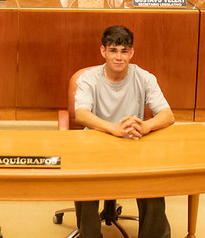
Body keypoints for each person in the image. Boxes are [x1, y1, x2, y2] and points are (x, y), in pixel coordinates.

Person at [73, 25, 174, 238]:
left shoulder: (144, 77)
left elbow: (167, 115)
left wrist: (146, 125)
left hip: (132, 145)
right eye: (113, 50)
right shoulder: (88, 78)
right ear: (103, 51)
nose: (119, 57)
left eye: (124, 51)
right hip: (96, 144)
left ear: (132, 52)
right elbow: (81, 114)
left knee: (153, 180)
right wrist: (113, 128)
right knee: (84, 180)